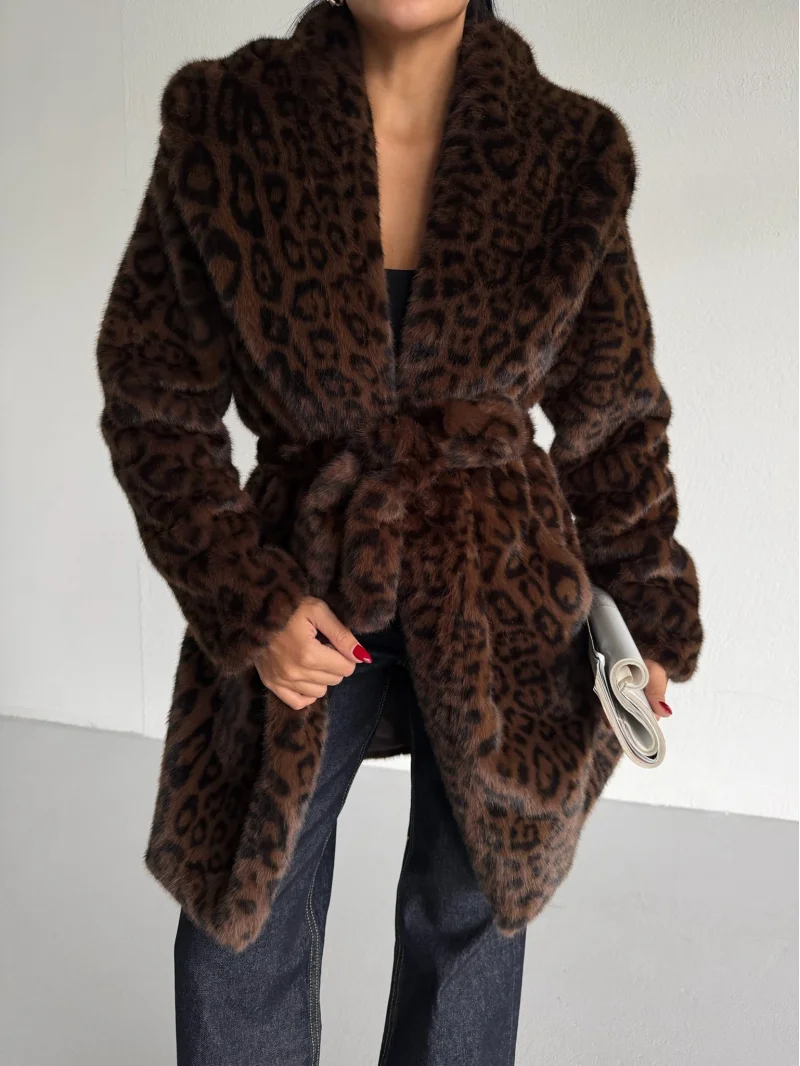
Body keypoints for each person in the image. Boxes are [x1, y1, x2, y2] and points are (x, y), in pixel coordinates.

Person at [95, 0, 703, 1062]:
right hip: (304, 565)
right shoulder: (228, 127)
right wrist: (249, 599)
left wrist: (645, 613)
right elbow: (155, 402)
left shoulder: (569, 155)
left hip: (500, 575)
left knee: (470, 902)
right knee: (244, 907)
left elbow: (613, 422)